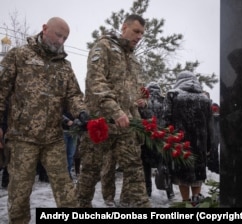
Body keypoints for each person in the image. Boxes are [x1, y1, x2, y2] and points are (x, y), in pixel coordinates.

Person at [0, 17, 89, 223]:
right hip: (22, 138)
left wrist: (81, 112)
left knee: (66, 191)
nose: (61, 41)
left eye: (65, 38)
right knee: (19, 194)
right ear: (44, 29)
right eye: (58, 35)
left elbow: (74, 95)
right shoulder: (19, 55)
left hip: (53, 140)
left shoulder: (64, 66)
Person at [77, 14, 151, 208]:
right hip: (102, 123)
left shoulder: (133, 59)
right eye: (136, 31)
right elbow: (96, 82)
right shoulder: (104, 47)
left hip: (126, 126)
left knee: (134, 169)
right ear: (124, 27)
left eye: (142, 33)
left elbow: (134, 93)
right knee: (90, 173)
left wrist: (140, 104)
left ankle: (140, 206)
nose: (139, 36)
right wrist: (116, 111)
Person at [163, 71, 213, 206]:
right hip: (200, 143)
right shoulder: (204, 98)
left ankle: (185, 203)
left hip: (179, 142)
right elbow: (210, 125)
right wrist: (208, 146)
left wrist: (167, 140)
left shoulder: (172, 95)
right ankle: (196, 201)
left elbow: (166, 120)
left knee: (182, 174)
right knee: (198, 172)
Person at [139, 82, 174, 199]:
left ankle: (147, 191)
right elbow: (169, 118)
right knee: (164, 165)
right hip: (162, 138)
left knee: (146, 166)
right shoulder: (164, 101)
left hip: (147, 139)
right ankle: (170, 191)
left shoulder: (144, 102)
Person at [62, 110, 79, 178]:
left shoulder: (75, 101)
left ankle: (68, 174)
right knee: (63, 154)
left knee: (71, 154)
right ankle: (63, 174)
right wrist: (66, 120)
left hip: (74, 131)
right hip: (63, 131)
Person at [207, 103, 220, 174]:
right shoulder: (210, 118)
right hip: (212, 139)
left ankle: (213, 170)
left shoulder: (212, 118)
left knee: (213, 154)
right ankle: (213, 170)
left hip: (214, 139)